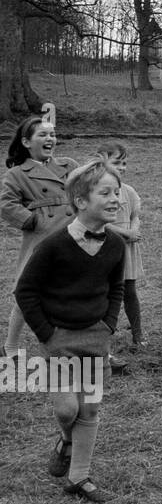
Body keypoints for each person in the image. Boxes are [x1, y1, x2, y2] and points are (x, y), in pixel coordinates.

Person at [16, 159, 126, 503]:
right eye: (105, 193)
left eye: (117, 193)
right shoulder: (53, 245)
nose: (115, 199)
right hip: (59, 339)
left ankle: (78, 477)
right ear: (80, 201)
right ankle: (65, 439)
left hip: (96, 337)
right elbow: (25, 291)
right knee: (67, 410)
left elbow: (116, 288)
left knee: (89, 410)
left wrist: (108, 325)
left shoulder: (116, 245)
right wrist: (47, 334)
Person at [1, 117, 78, 359]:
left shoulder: (69, 165)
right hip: (42, 238)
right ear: (26, 141)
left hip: (74, 233)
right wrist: (32, 221)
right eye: (43, 135)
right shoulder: (17, 173)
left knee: (80, 289)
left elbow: (87, 189)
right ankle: (11, 347)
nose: (50, 139)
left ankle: (88, 348)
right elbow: (6, 204)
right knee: (27, 292)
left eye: (53, 134)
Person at [99, 142, 146, 351]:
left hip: (127, 250)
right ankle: (102, 337)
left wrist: (134, 229)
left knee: (130, 291)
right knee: (106, 294)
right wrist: (126, 233)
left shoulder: (129, 191)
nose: (122, 167)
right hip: (105, 248)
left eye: (124, 163)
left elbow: (135, 216)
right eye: (117, 162)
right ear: (102, 161)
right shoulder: (97, 190)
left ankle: (138, 334)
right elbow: (99, 221)